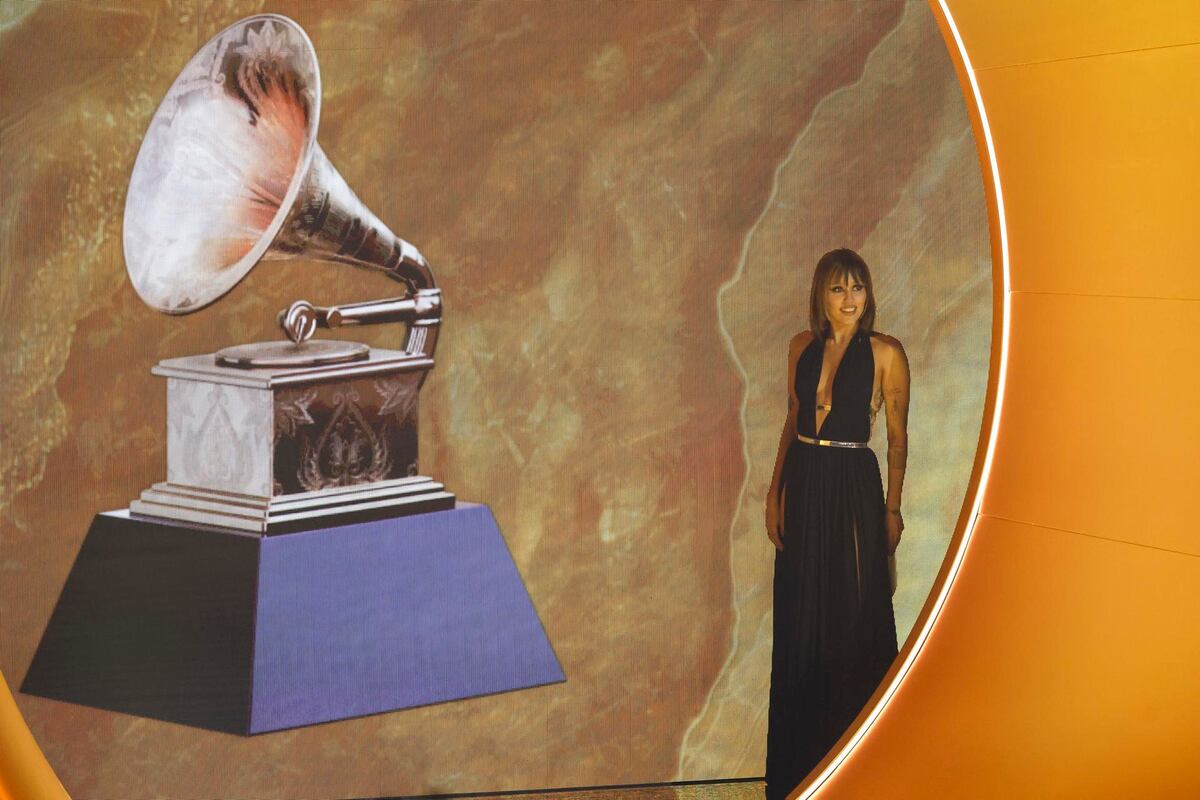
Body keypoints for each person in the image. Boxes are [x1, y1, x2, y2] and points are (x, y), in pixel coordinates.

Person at [763, 248, 909, 799]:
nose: (850, 300)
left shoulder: (887, 353)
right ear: (821, 295)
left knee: (855, 614)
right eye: (838, 289)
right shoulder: (801, 346)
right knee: (801, 613)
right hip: (804, 480)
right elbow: (793, 418)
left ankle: (862, 769)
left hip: (853, 485)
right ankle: (801, 772)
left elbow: (897, 439)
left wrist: (892, 509)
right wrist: (774, 492)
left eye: (858, 288)